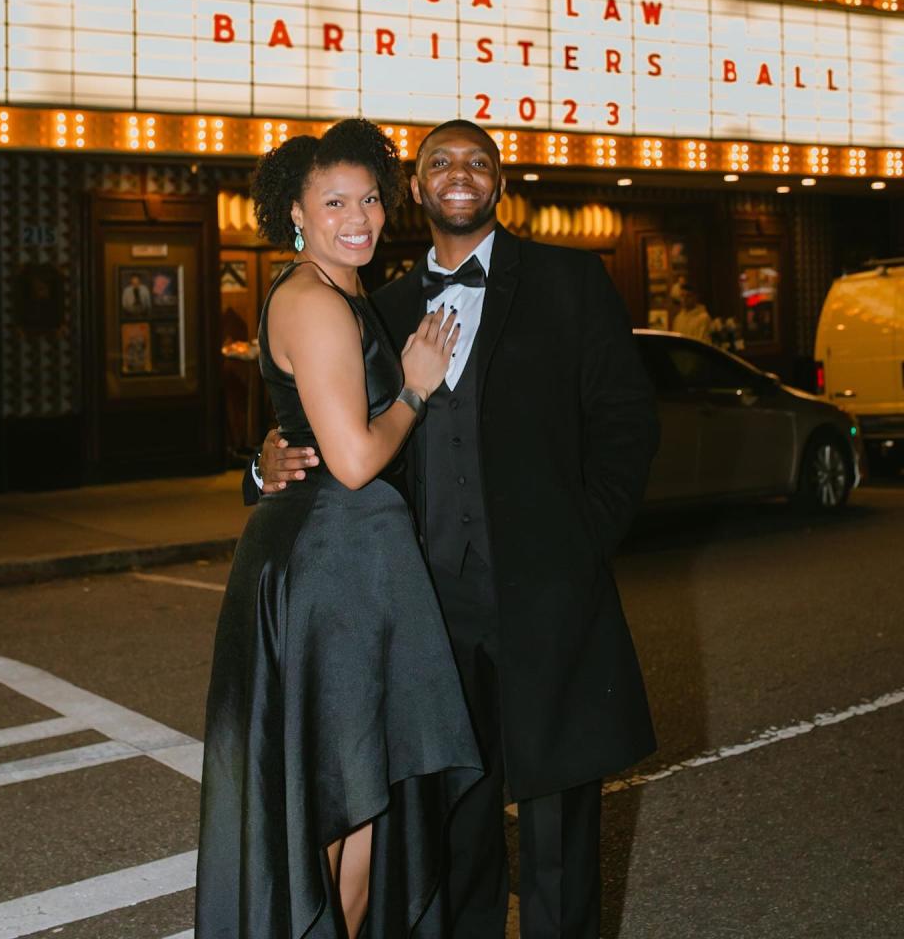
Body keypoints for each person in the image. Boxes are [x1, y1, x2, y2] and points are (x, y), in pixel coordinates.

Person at [255, 119, 660, 938]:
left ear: (500, 181)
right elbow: (327, 437)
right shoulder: (382, 305)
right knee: (455, 817)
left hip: (547, 592)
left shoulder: (569, 281)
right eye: (439, 161)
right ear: (419, 187)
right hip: (428, 606)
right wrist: (260, 468)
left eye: (479, 160)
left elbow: (627, 423)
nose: (459, 173)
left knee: (557, 821)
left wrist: (579, 545)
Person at [197, 119, 482, 939]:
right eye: (334, 202)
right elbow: (354, 460)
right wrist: (416, 390)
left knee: (354, 799)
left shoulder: (340, 289)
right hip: (334, 566)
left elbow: (313, 433)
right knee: (341, 800)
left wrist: (269, 458)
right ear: (296, 210)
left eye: (369, 198)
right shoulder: (313, 301)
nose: (358, 217)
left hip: (350, 559)